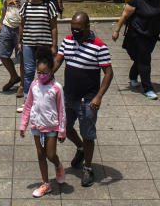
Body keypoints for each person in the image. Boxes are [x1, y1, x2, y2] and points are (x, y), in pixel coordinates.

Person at [54, 12, 113, 188]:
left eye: (78, 29)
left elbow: (108, 73)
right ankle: (80, 148)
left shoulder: (99, 46)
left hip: (88, 99)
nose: (75, 32)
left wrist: (99, 96)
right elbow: (58, 60)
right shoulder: (68, 41)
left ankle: (88, 167)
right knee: (63, 127)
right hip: (69, 95)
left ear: (87, 27)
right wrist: (47, 75)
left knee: (88, 133)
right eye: (72, 29)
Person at [19, 45, 67, 198]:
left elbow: (62, 111)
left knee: (50, 154)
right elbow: (27, 106)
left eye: (44, 73)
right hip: (36, 126)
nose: (41, 76)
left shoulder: (57, 88)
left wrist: (62, 130)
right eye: (38, 73)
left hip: (52, 127)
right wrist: (23, 124)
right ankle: (46, 184)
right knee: (40, 154)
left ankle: (58, 165)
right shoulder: (34, 85)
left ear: (52, 70)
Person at [112, 0, 160, 100]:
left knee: (141, 59)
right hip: (138, 35)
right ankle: (148, 88)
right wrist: (117, 31)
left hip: (152, 35)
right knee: (145, 61)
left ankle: (133, 75)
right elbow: (125, 16)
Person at [18, 0, 58, 112]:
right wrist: (19, 41)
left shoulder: (49, 5)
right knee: (29, 72)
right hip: (28, 43)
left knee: (46, 72)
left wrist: (54, 45)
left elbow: (53, 27)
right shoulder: (26, 5)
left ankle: (49, 98)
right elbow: (22, 25)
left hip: (44, 44)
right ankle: (28, 100)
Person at [0, 0, 29, 93]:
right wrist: (0, 23)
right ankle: (14, 76)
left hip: (23, 28)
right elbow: (5, 4)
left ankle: (22, 85)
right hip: (7, 25)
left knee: (22, 58)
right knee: (2, 53)